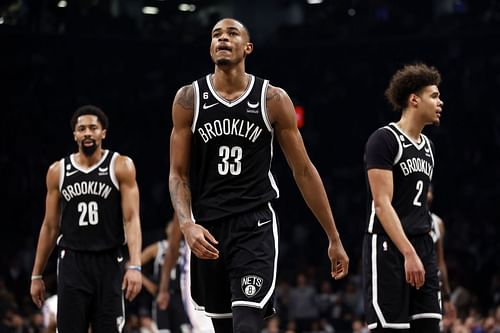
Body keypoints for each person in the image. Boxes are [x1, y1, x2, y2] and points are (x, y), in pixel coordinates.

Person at [167, 17, 349, 333]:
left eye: (232, 33)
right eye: (216, 35)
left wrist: (333, 237)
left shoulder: (272, 99)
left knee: (247, 325)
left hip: (254, 225)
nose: (222, 38)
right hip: (208, 229)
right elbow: (178, 174)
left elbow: (304, 171)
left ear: (247, 47)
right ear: (210, 47)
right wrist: (186, 224)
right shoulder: (189, 99)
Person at [30, 105, 143, 333]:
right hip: (73, 261)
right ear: (75, 135)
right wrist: (36, 274)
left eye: (93, 128)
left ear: (103, 133)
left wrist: (136, 265)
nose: (87, 133)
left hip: (109, 261)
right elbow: (50, 226)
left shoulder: (121, 166)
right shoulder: (58, 171)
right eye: (81, 129)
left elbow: (132, 220)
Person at [362, 63, 444, 332]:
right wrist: (408, 252)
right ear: (414, 99)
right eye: (434, 96)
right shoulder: (384, 140)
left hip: (423, 245)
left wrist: (421, 251)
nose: (439, 102)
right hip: (389, 248)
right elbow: (382, 204)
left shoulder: (429, 147)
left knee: (430, 326)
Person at [157, 214, 215, 333]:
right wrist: (163, 289)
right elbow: (172, 250)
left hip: (227, 266)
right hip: (196, 272)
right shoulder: (185, 204)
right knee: (203, 328)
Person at [141, 216, 191, 333]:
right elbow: (132, 265)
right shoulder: (159, 247)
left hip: (181, 296)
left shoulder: (187, 247)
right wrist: (148, 284)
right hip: (162, 295)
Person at [427, 184, 457, 331]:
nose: (428, 193)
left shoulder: (438, 223)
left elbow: (441, 262)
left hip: (432, 283)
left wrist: (448, 296)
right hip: (408, 280)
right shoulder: (401, 216)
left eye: (430, 190)